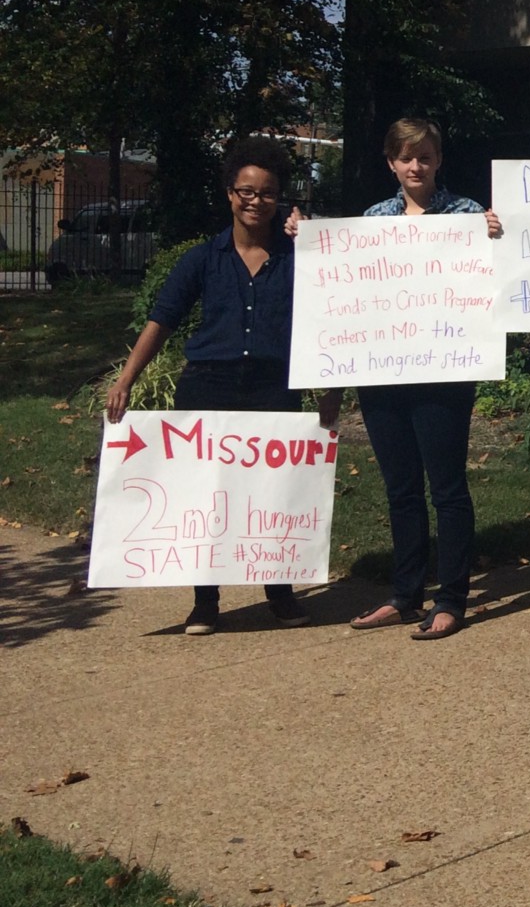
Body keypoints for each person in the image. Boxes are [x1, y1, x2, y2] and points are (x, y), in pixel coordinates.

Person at [106, 138, 341, 634]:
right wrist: (127, 380)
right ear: (230, 194)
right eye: (246, 191)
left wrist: (330, 391)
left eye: (268, 192)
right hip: (207, 389)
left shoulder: (302, 258)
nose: (256, 201)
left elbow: (329, 321)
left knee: (275, 494)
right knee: (206, 498)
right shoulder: (201, 259)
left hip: (274, 387)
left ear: (281, 198)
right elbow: (162, 319)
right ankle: (205, 602)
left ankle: (280, 594)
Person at [293, 117, 502, 641]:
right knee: (400, 489)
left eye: (425, 156)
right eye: (406, 158)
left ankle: (452, 597)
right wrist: (308, 238)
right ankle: (406, 594)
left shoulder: (467, 215)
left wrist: (497, 238)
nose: (416, 166)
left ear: (438, 160)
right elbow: (346, 287)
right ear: (391, 163)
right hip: (383, 375)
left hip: (444, 373)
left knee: (447, 488)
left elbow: (494, 282)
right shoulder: (372, 220)